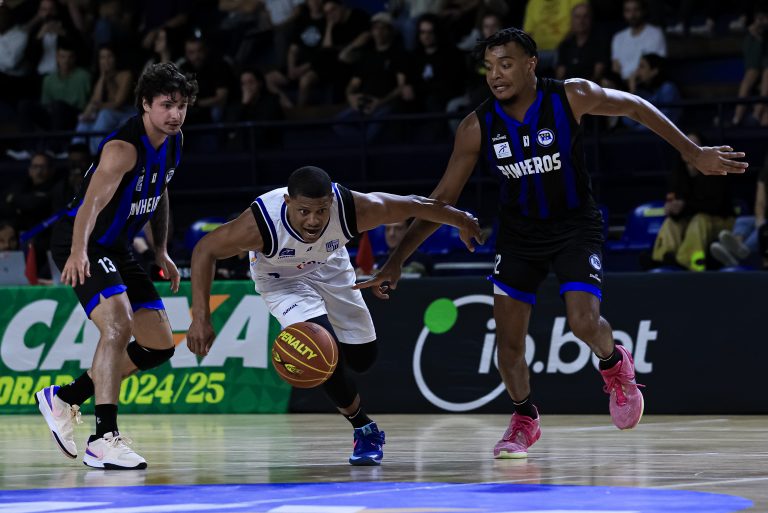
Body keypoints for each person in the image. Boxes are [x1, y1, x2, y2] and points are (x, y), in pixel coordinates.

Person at [356, 27, 748, 459]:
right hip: (519, 236)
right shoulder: (476, 127)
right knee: (508, 347)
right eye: (489, 67)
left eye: (506, 64)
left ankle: (614, 365)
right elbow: (441, 200)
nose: (496, 75)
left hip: (575, 227)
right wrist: (396, 260)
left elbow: (635, 106)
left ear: (530, 64)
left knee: (583, 323)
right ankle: (524, 419)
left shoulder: (570, 95)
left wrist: (692, 153)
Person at [186, 166, 482, 466]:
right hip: (280, 281)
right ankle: (364, 429)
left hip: (329, 267)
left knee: (363, 359)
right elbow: (204, 250)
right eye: (303, 211)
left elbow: (415, 205)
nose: (313, 220)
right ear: (288, 202)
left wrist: (461, 219)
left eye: (321, 211)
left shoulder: (354, 209)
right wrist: (200, 317)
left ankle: (344, 369)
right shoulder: (260, 224)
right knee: (319, 351)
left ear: (331, 201)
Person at [33, 62, 198, 470]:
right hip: (84, 240)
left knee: (159, 345)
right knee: (118, 326)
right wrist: (78, 251)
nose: (175, 114)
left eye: (181, 105)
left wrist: (161, 250)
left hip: (118, 246)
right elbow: (90, 205)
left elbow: (159, 192)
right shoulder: (123, 148)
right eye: (166, 105)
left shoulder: (174, 142)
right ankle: (103, 439)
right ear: (145, 104)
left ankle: (65, 397)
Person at [650, 132, 737, 271]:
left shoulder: (716, 170)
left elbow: (714, 206)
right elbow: (675, 201)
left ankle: (689, 261)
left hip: (720, 220)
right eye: (685, 145)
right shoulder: (678, 173)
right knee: (671, 223)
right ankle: (663, 258)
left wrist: (684, 206)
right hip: (689, 219)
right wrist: (672, 208)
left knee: (699, 220)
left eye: (693, 145)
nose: (688, 149)